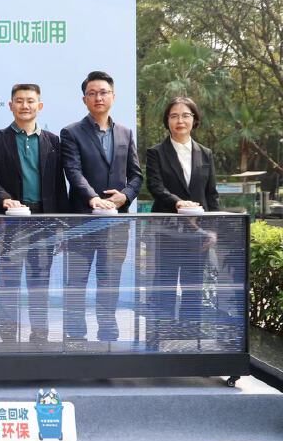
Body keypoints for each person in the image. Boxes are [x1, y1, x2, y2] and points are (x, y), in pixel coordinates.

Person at [0, 83, 68, 343]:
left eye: (30, 101)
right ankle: (7, 338)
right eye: (19, 101)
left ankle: (39, 337)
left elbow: (59, 186)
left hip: (44, 221)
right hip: (11, 221)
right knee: (8, 284)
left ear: (39, 106)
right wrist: (5, 199)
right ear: (11, 106)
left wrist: (61, 225)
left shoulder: (53, 141)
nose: (25, 106)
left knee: (40, 284)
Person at [61, 71, 143, 342]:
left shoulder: (125, 133)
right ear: (84, 99)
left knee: (110, 280)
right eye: (92, 93)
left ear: (113, 97)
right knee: (76, 281)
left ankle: (108, 331)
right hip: (81, 220)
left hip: (116, 223)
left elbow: (136, 175)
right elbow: (73, 171)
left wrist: (125, 196)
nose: (98, 97)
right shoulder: (71, 132)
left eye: (103, 92)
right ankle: (75, 333)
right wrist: (92, 197)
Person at [145, 96, 219, 345]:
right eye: (174, 116)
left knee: (193, 285)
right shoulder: (156, 152)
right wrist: (178, 203)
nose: (180, 120)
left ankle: (189, 336)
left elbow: (211, 194)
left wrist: (213, 230)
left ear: (194, 120)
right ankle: (161, 334)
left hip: (198, 234)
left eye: (186, 115)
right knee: (164, 284)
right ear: (167, 120)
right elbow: (155, 187)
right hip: (167, 231)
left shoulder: (205, 153)